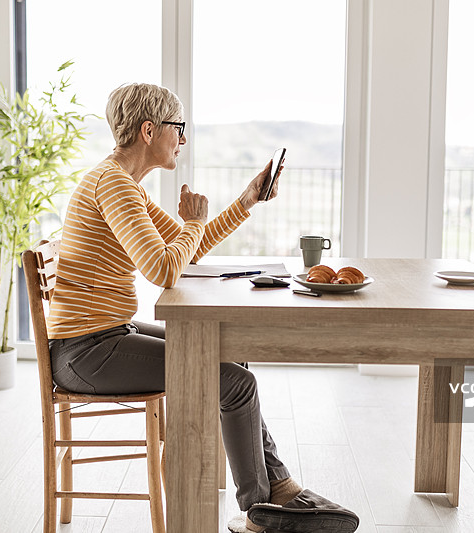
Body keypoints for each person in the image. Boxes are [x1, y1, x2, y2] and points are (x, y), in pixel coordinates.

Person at [46, 82, 359, 533]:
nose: (184, 139)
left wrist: (246, 201)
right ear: (149, 130)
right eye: (179, 128)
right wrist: (192, 222)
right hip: (85, 353)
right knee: (235, 381)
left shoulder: (122, 182)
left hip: (103, 337)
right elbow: (164, 268)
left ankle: (278, 489)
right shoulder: (113, 184)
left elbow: (187, 250)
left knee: (228, 353)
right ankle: (262, 511)